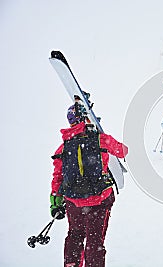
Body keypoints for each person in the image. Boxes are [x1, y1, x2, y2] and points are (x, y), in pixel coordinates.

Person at [50, 102, 128, 267]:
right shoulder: (101, 140)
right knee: (95, 240)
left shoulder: (63, 147)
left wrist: (55, 200)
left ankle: (71, 264)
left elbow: (57, 176)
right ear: (86, 118)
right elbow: (122, 151)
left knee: (75, 235)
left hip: (73, 202)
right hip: (99, 200)